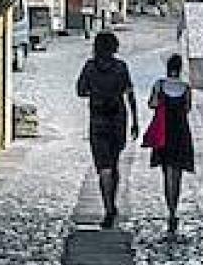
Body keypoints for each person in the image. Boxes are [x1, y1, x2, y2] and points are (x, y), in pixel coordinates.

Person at [76, 31, 138, 229]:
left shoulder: (90, 67)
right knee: (114, 162)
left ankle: (108, 206)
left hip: (98, 120)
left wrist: (95, 91)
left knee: (103, 167)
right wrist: (135, 121)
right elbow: (130, 94)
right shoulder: (121, 67)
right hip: (118, 119)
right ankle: (112, 202)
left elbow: (80, 91)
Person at [148, 53, 195, 234]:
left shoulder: (159, 85)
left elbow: (152, 104)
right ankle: (174, 207)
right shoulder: (186, 88)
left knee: (166, 172)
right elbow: (187, 108)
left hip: (163, 133)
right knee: (178, 173)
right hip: (181, 133)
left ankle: (170, 208)